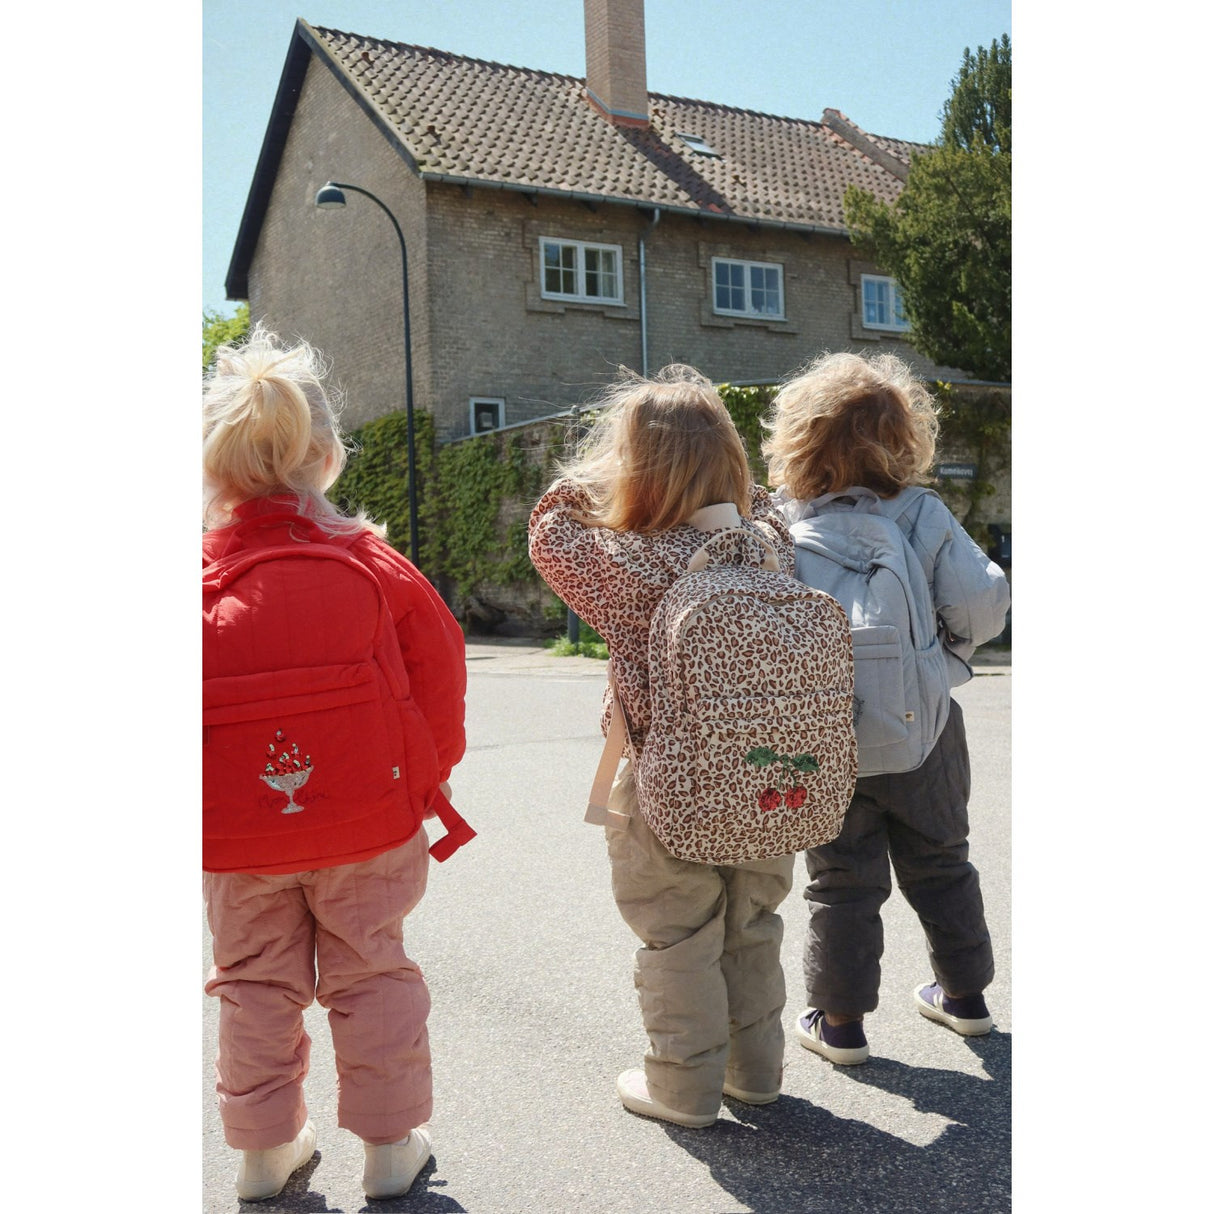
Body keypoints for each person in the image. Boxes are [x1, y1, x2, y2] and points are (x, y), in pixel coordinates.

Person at [201, 326, 467, 1201]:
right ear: (324, 457)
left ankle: (261, 1151)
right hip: (368, 821)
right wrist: (422, 777)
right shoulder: (369, 562)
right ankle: (391, 1150)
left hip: (237, 839)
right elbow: (440, 674)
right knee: (373, 969)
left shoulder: (196, 577)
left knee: (253, 986)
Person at [528, 364, 799, 1129]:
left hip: (665, 778)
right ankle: (758, 1073)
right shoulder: (771, 547)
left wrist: (596, 484)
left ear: (637, 469)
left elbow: (550, 530)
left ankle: (683, 1088)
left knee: (679, 930)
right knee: (751, 923)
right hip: (769, 777)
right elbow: (770, 504)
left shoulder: (629, 565)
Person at [761, 349, 1009, 1065]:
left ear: (799, 439)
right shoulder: (921, 512)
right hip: (924, 730)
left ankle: (840, 1024)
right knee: (942, 862)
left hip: (823, 734)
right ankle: (964, 999)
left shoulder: (781, 521)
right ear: (904, 440)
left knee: (841, 881)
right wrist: (942, 660)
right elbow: (982, 603)